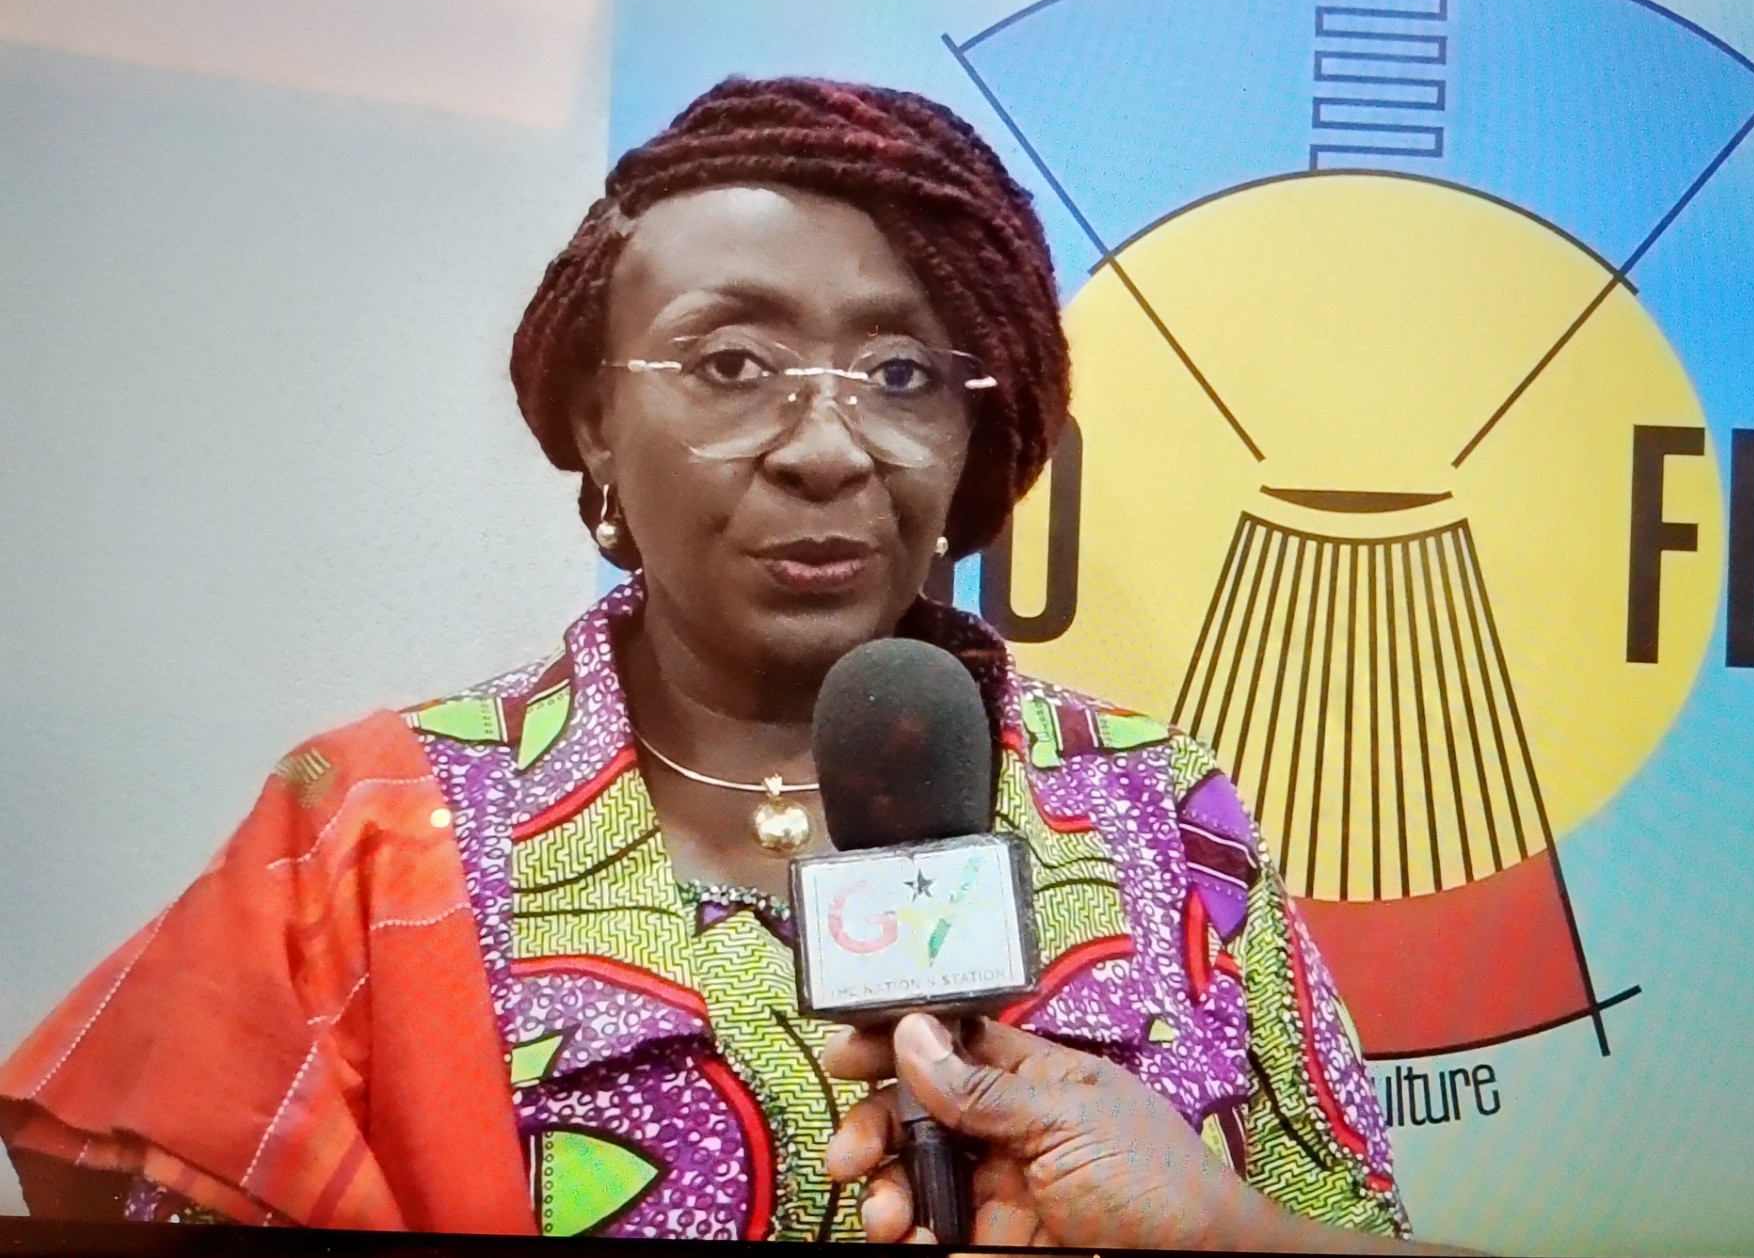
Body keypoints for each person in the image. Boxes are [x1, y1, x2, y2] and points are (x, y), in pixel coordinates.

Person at [1, 77, 1415, 1247]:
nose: (825, 448)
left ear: (978, 433)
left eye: (904, 375)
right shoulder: (364, 830)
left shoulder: (1159, 812)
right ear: (596, 423)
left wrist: (1228, 1230)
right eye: (731, 364)